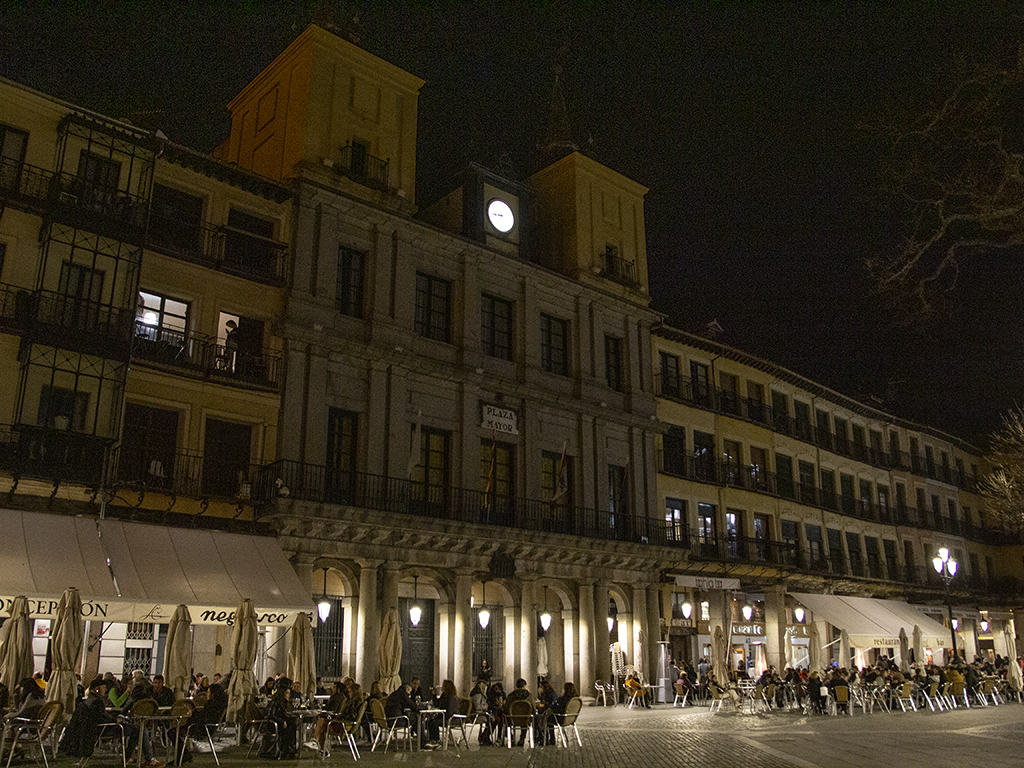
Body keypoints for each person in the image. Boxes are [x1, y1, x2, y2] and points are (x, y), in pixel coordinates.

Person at [505, 678, 531, 746]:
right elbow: (533, 707)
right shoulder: (528, 696)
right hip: (525, 719)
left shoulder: (511, 696)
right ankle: (522, 738)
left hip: (512, 719)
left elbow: (506, 707)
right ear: (524, 686)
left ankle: (510, 737)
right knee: (526, 718)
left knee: (504, 718)